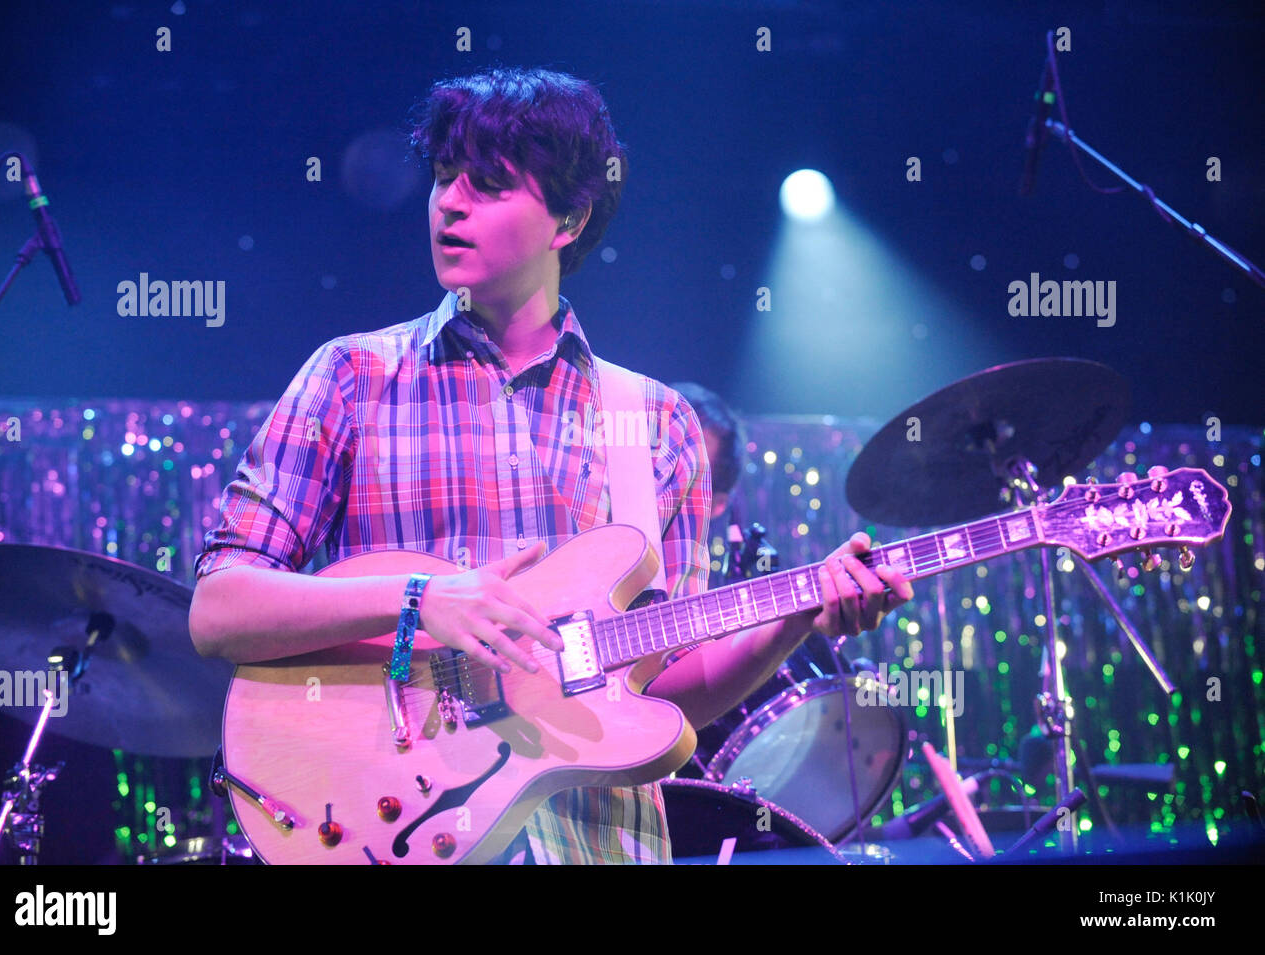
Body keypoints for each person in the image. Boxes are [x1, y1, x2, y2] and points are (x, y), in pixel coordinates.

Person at [188, 66, 913, 864]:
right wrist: (417, 599)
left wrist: (795, 616)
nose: (449, 202)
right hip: (393, 830)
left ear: (569, 217)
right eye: (441, 177)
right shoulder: (351, 376)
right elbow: (219, 610)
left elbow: (667, 689)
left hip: (595, 844)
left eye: (489, 184)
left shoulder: (657, 422)